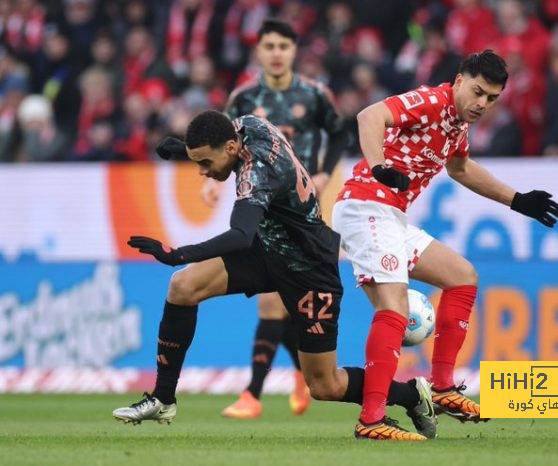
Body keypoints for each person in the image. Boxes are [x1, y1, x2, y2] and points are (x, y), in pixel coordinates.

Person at [112, 110, 436, 441]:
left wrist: (178, 253)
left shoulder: (257, 173)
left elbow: (240, 235)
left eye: (205, 163)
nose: (203, 172)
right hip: (268, 250)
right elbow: (225, 137)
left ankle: (412, 395)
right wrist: (183, 148)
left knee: (325, 386)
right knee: (183, 285)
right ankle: (163, 398)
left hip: (308, 267)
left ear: (229, 148)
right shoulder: (247, 125)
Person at [331, 50, 558, 426]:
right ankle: (371, 420)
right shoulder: (431, 101)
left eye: (491, 98)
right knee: (394, 308)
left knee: (462, 276)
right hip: (366, 204)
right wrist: (380, 167)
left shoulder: (457, 124)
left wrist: (517, 200)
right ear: (458, 81)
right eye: (477, 92)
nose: (482, 103)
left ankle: (442, 389)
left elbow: (461, 168)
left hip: (389, 214)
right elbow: (369, 115)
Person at [221, 19, 348, 419]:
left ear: (294, 51)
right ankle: (261, 390)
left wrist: (326, 170)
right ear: (258, 51)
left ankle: (266, 388)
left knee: (285, 303)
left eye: (284, 46)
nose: (276, 52)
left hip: (302, 212)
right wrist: (212, 183)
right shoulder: (243, 98)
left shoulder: (314, 95)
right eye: (269, 45)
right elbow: (222, 146)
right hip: (263, 209)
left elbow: (340, 134)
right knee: (272, 304)